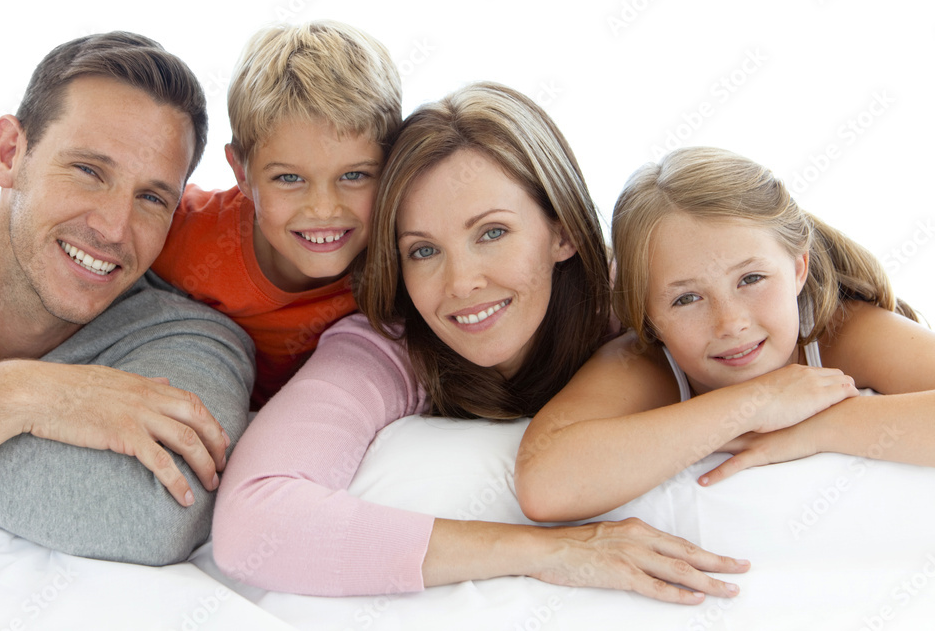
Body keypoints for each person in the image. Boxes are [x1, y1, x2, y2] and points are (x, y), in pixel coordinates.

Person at [213, 85, 749, 604]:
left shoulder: (638, 301)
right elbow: (251, 524)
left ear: (562, 230)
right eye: (424, 251)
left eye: (492, 233)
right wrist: (550, 550)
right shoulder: (386, 350)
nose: (462, 283)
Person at [0, 32, 255, 565]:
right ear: (9, 153)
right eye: (89, 171)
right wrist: (22, 395)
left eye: (151, 198)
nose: (113, 229)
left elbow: (151, 514)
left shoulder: (193, 340)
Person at [515, 146, 935, 522]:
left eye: (751, 279)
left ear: (798, 269)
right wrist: (756, 403)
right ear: (648, 317)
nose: (730, 323)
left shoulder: (840, 330)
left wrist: (819, 426)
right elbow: (546, 484)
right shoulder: (648, 361)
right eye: (686, 299)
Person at [151, 20, 401, 408]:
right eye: (289, 178)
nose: (323, 209)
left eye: (354, 175)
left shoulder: (407, 254)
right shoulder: (182, 232)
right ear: (241, 173)